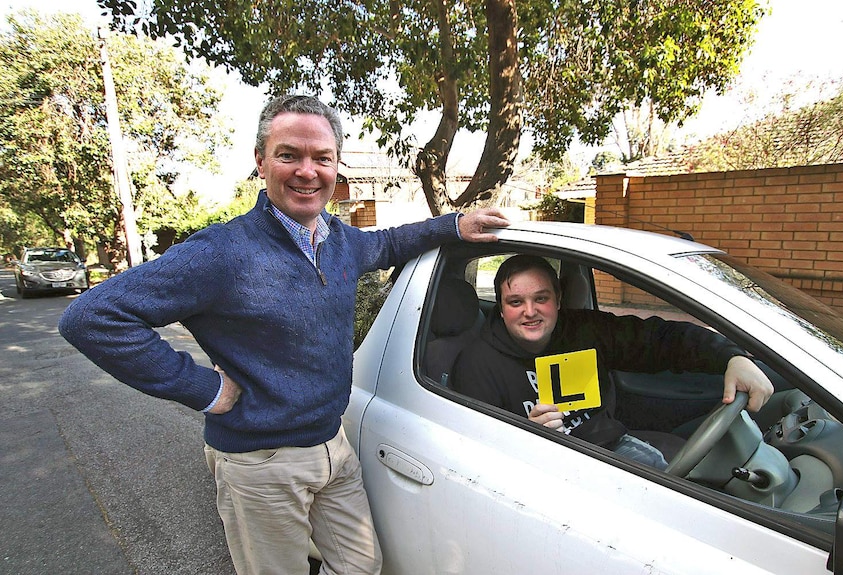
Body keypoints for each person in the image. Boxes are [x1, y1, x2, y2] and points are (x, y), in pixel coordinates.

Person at [58, 94, 509, 575]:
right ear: (261, 162)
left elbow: (389, 242)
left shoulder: (338, 240)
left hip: (333, 448)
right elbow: (92, 318)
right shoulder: (222, 252)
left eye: (322, 158)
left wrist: (454, 224)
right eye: (289, 155)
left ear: (337, 167)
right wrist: (204, 389)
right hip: (260, 463)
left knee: (361, 566)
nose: (307, 171)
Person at [450, 254, 773, 468]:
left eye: (541, 299)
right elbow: (480, 458)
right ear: (502, 307)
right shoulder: (476, 364)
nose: (530, 311)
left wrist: (731, 357)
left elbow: (661, 339)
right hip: (545, 469)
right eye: (515, 301)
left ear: (558, 300)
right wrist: (526, 435)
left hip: (610, 446)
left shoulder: (584, 331)